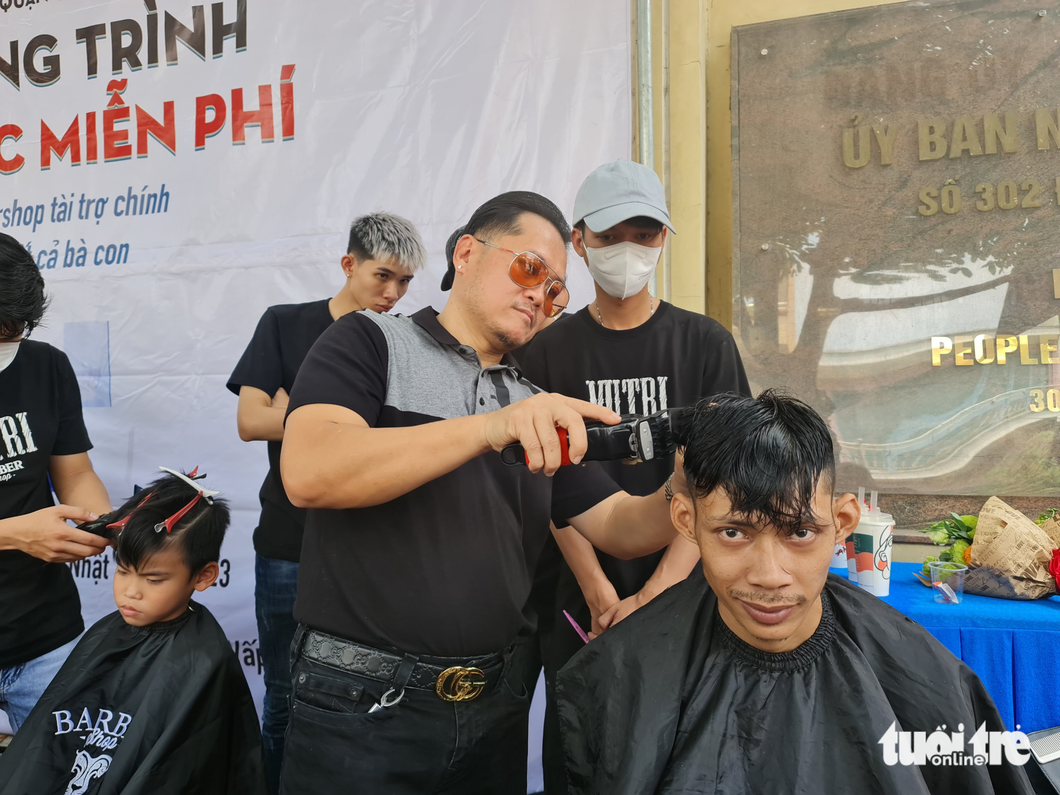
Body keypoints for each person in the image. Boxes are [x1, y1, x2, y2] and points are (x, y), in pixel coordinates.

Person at [278, 190, 683, 795]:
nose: (540, 295)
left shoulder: (529, 399)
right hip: (364, 707)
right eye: (529, 268)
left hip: (496, 708)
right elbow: (310, 471)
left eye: (555, 291)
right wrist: (488, 430)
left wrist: (689, 485)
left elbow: (622, 527)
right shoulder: (369, 342)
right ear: (467, 252)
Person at [558, 392, 1035, 795]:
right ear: (688, 522)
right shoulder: (615, 674)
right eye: (733, 534)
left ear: (842, 524)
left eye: (801, 533)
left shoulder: (928, 679)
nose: (770, 575)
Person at [517, 159, 750, 793]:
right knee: (582, 752)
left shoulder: (705, 345)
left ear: (665, 238)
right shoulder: (542, 353)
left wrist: (656, 594)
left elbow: (723, 485)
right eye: (613, 233)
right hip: (579, 601)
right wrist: (598, 592)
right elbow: (545, 487)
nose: (630, 249)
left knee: (684, 757)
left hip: (690, 595)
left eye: (645, 234)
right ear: (581, 241)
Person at [226, 212, 426, 793]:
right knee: (287, 699)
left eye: (405, 282)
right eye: (382, 276)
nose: (392, 294)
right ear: (349, 265)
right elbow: (248, 420)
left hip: (375, 548)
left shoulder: (404, 341)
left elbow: (392, 439)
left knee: (372, 698)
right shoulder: (286, 325)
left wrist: (297, 415)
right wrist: (337, 428)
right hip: (289, 545)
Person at [0, 469, 267, 794]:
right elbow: (43, 753)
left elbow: (178, 770)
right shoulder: (106, 635)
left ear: (204, 576)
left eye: (153, 580)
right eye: (123, 571)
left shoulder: (203, 661)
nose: (131, 592)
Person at [0, 233, 112, 732]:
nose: (10, 342)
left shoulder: (46, 365)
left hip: (47, 635)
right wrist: (15, 533)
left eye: (17, 330)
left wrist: (99, 522)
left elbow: (76, 472)